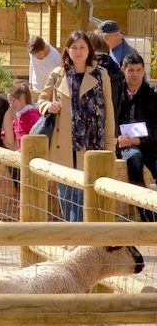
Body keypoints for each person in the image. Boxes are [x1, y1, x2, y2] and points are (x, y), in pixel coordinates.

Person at [37, 30, 116, 222]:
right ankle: (73, 238)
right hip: (63, 146)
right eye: (74, 47)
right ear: (67, 50)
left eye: (82, 47)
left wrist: (110, 145)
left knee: (83, 197)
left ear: (89, 49)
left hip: (92, 145)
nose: (78, 52)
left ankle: (77, 240)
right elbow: (41, 99)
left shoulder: (101, 74)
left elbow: (109, 112)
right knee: (66, 196)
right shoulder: (57, 74)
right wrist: (49, 106)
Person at [117, 51, 157, 222]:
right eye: (130, 70)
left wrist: (139, 140)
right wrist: (117, 139)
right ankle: (147, 216)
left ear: (143, 71)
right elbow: (109, 121)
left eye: (138, 70)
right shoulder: (116, 93)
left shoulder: (152, 94)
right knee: (134, 158)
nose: (134, 74)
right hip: (124, 144)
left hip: (148, 142)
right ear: (123, 70)